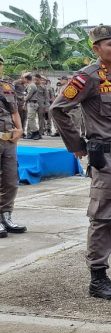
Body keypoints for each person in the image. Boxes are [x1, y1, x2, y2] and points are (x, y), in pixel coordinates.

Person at [50, 25, 111, 301]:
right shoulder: (88, 77)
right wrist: (77, 145)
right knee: (104, 216)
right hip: (106, 157)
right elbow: (58, 109)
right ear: (96, 49)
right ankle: (98, 276)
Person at [0, 55, 27, 238]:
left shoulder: (7, 87)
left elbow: (15, 111)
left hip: (8, 139)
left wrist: (19, 129)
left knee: (10, 180)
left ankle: (6, 215)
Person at [24, 74, 45, 140]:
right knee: (31, 119)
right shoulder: (30, 85)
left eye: (24, 78)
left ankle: (36, 132)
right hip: (31, 103)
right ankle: (32, 133)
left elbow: (28, 95)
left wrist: (23, 98)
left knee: (31, 119)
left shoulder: (32, 85)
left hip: (32, 103)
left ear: (26, 79)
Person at [13, 73, 30, 138]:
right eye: (25, 79)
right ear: (22, 78)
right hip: (18, 103)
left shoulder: (26, 84)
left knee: (24, 117)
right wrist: (19, 96)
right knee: (18, 118)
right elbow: (12, 91)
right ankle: (17, 132)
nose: (26, 80)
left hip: (24, 103)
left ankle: (22, 132)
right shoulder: (16, 83)